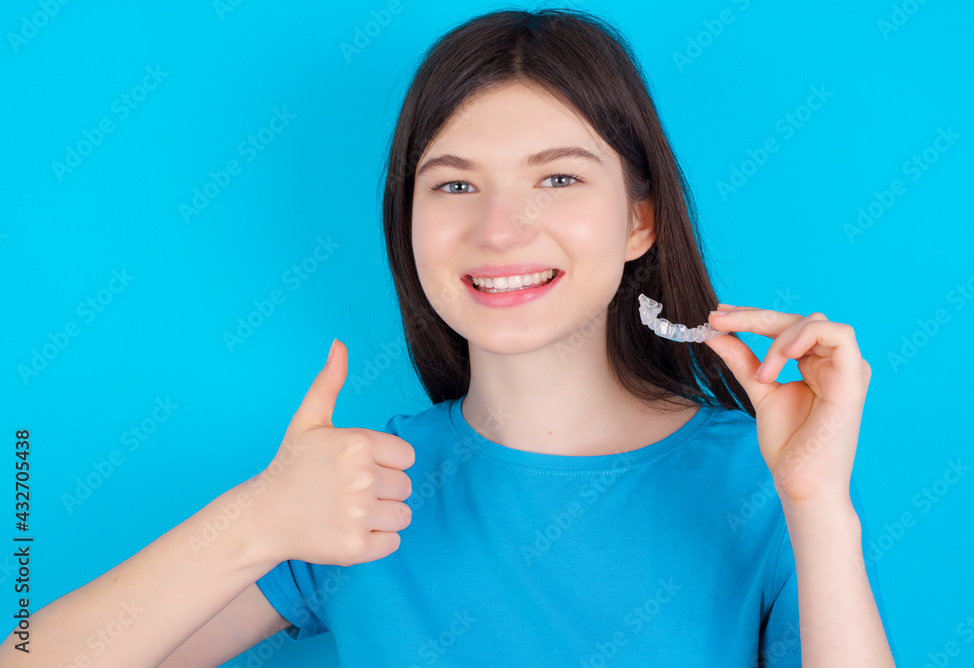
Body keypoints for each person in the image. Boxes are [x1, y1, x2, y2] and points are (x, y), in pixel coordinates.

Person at [1, 8, 898, 667]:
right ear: (409, 225)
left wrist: (819, 507)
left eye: (556, 179)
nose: (500, 230)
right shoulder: (359, 491)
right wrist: (256, 518)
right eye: (456, 186)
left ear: (639, 221)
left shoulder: (767, 483)